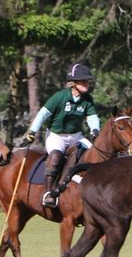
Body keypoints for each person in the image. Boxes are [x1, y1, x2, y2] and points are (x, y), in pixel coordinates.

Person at [22, 62, 101, 208]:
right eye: (83, 81)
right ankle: (49, 193)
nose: (87, 84)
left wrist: (95, 130)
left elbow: (92, 117)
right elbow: (43, 114)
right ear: (74, 83)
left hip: (76, 136)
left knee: (96, 154)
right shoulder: (60, 97)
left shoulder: (87, 100)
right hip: (56, 136)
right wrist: (32, 131)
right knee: (56, 157)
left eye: (87, 81)